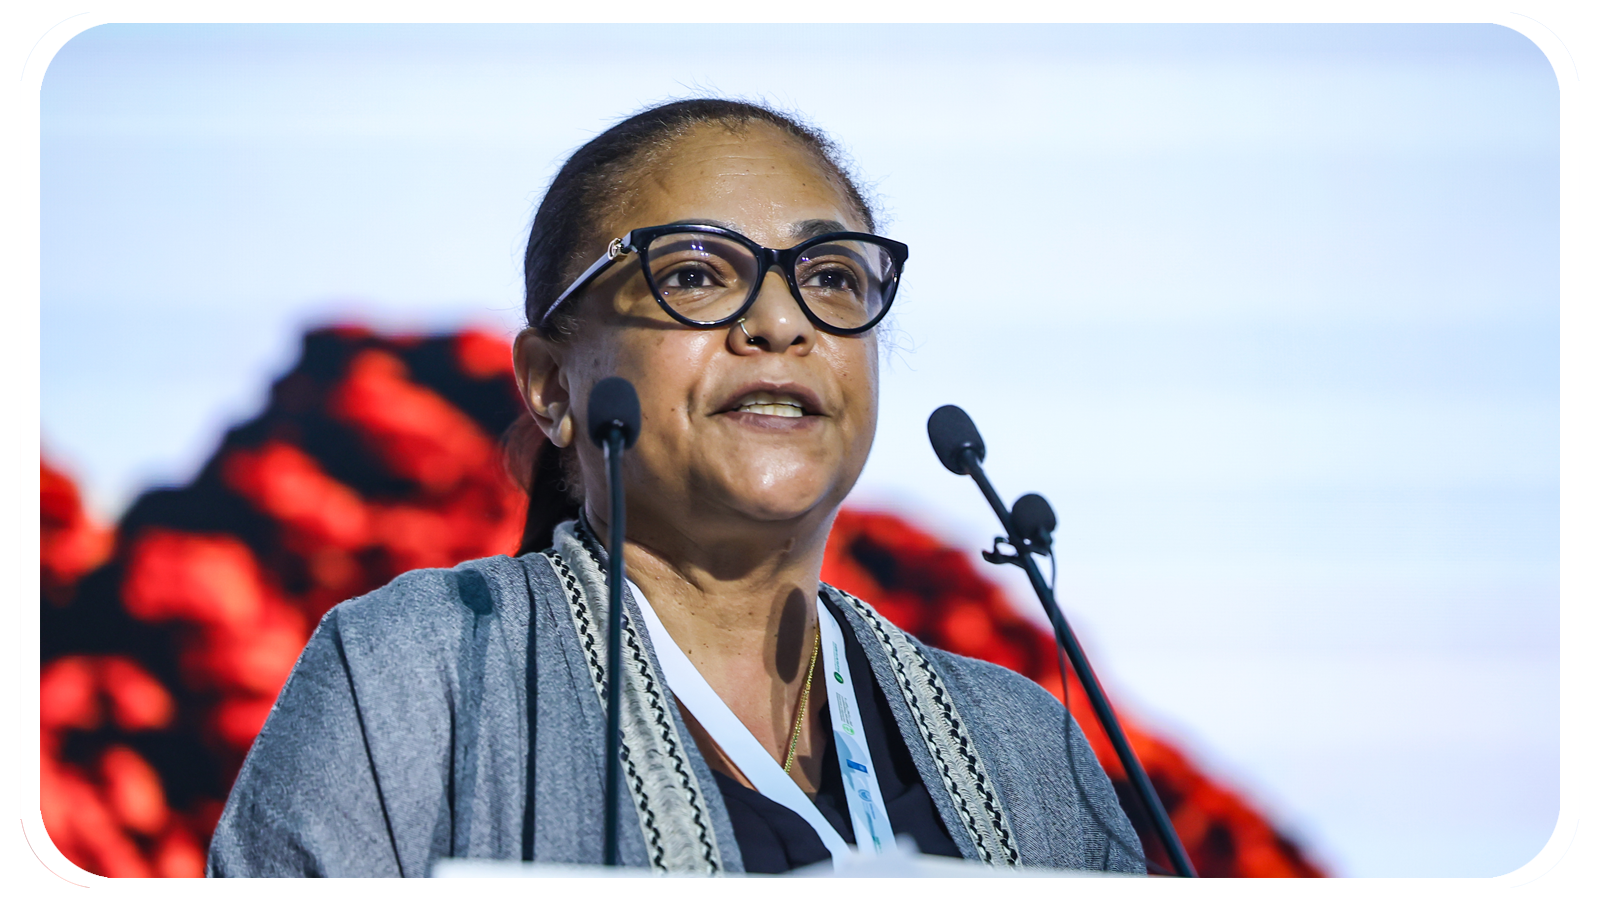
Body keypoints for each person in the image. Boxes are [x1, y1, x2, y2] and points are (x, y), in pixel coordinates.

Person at [206, 98, 1144, 877]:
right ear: (549, 385)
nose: (781, 323)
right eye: (695, 274)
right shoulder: (414, 677)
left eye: (829, 276)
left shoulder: (1027, 746)